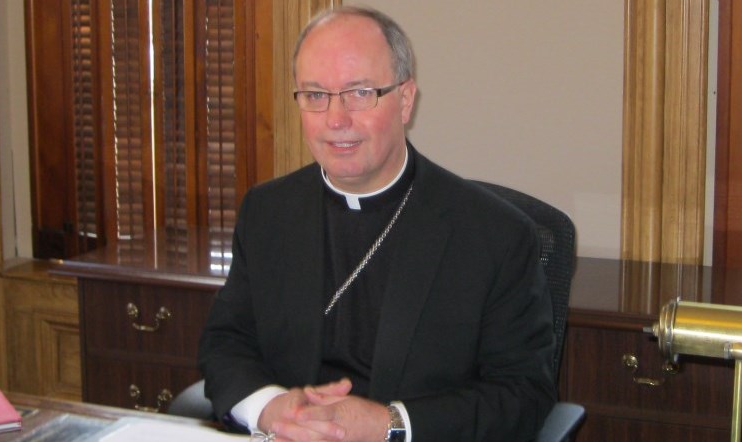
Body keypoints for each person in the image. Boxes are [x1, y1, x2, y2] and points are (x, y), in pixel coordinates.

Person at [198, 5, 556, 442]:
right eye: (315, 95)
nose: (335, 120)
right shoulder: (267, 212)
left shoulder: (495, 236)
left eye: (359, 93)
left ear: (405, 101)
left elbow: (523, 394)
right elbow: (226, 341)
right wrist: (271, 408)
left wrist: (391, 424)